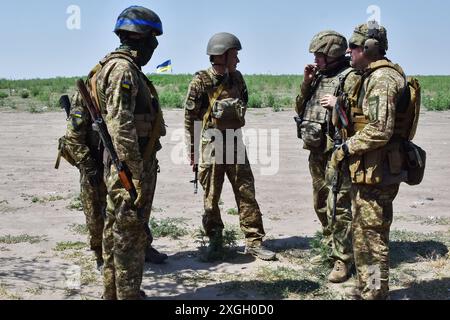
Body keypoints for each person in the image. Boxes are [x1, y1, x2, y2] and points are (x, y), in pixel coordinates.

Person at [87, 5, 166, 299]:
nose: (155, 46)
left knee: (115, 234)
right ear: (141, 38)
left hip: (124, 166)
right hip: (128, 169)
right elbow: (121, 125)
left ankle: (114, 293)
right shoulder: (122, 70)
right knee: (129, 239)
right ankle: (127, 295)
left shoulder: (113, 65)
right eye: (153, 39)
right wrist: (133, 174)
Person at [330, 21, 408, 300]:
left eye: (353, 47)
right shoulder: (369, 76)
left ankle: (375, 292)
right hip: (368, 169)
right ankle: (367, 287)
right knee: (362, 234)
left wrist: (345, 149)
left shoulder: (383, 79)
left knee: (372, 240)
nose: (348, 52)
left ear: (370, 48)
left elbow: (379, 129)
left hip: (379, 171)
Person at [184, 32, 276, 261]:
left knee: (246, 193)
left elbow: (243, 102)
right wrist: (193, 150)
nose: (238, 60)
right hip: (211, 145)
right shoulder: (200, 82)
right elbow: (191, 119)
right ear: (222, 56)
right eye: (235, 55)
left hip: (235, 143)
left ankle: (254, 241)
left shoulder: (237, 79)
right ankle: (215, 241)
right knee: (211, 197)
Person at [295, 31, 359, 282]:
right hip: (316, 150)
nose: (315, 59)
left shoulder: (351, 77)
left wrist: (339, 104)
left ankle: (343, 259)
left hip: (337, 153)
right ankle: (329, 244)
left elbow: (362, 115)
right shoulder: (318, 76)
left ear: (332, 55)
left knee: (339, 207)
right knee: (320, 201)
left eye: (319, 55)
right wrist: (306, 83)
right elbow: (300, 108)